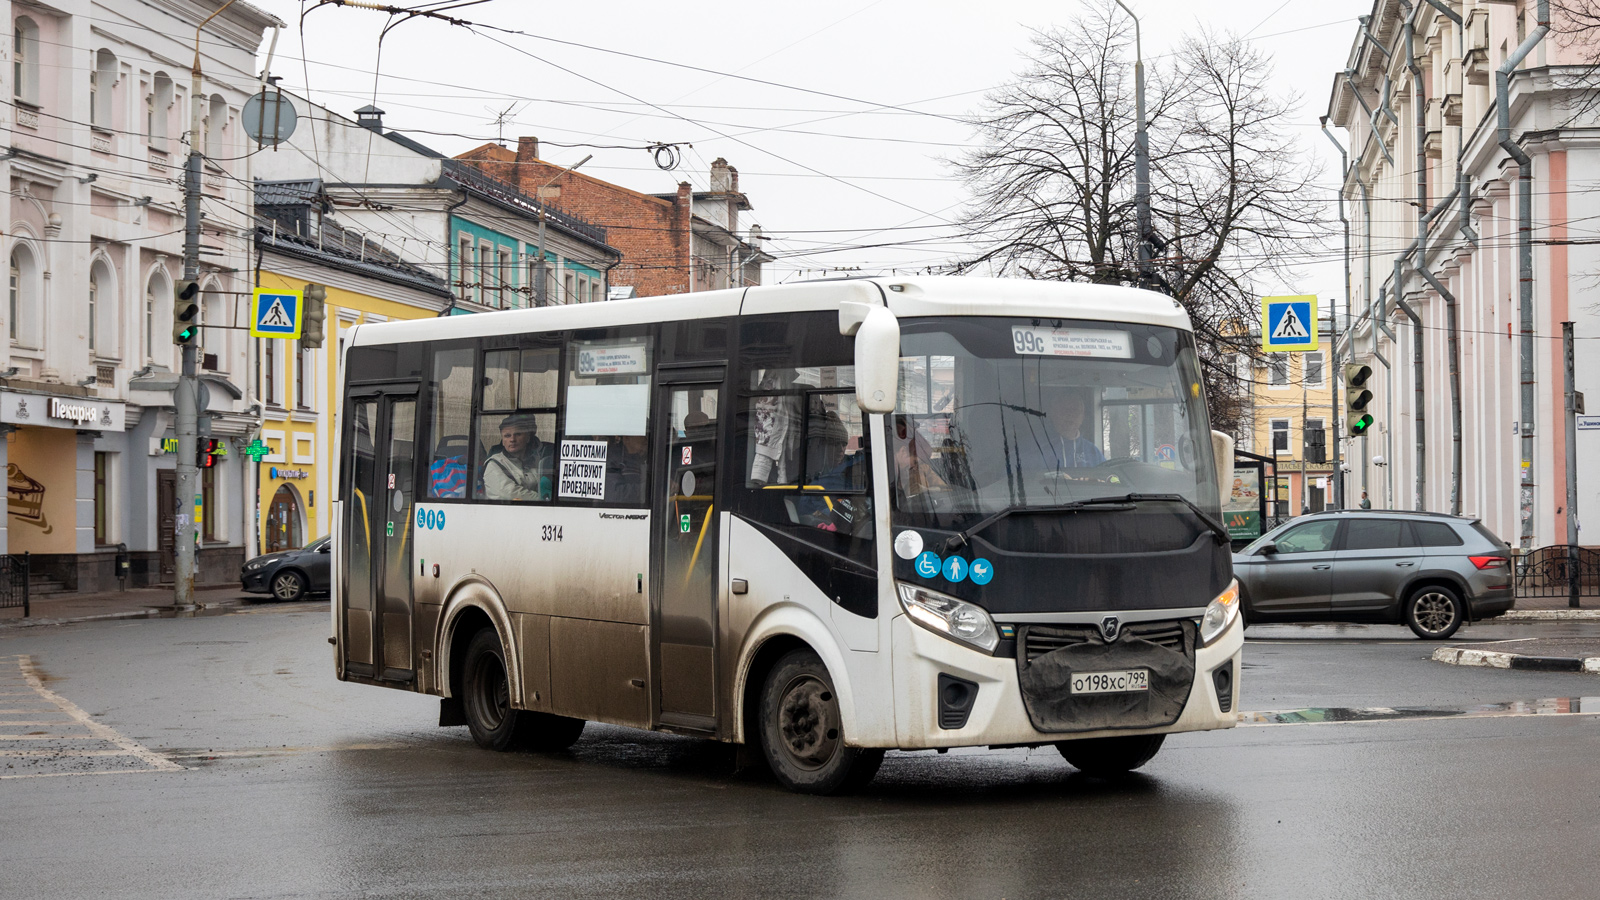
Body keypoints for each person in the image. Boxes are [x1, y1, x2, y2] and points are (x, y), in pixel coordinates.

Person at [483, 414, 553, 501]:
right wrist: (544, 499)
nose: (512, 439)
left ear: (527, 438)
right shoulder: (494, 464)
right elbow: (510, 493)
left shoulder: (537, 460)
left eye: (518, 434)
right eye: (507, 436)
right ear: (503, 441)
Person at [1045, 391, 1105, 469]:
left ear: (1082, 417)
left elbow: (1107, 477)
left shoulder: (1092, 451)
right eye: (1064, 410)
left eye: (1075, 410)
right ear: (1053, 414)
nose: (1070, 415)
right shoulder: (1040, 449)